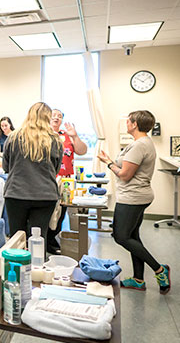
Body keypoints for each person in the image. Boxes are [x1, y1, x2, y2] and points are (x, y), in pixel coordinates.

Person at [97, 110, 170, 294]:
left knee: (121, 236)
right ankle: (138, 280)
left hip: (132, 198)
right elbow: (126, 167)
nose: (126, 123)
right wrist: (110, 160)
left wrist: (108, 164)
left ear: (135, 124)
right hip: (137, 196)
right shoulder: (142, 143)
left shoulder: (139, 145)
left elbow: (125, 174)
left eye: (128, 120)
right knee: (133, 237)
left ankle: (159, 269)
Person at [2, 102, 63, 242]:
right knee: (39, 240)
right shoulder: (55, 140)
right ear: (48, 118)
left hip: (17, 194)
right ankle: (38, 263)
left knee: (16, 240)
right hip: (45, 196)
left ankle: (17, 264)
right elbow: (56, 169)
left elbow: (6, 167)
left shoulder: (13, 137)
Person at [47, 109, 88, 254]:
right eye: (54, 115)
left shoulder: (67, 135)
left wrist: (75, 136)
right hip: (49, 178)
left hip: (66, 179)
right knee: (49, 210)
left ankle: (52, 238)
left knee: (62, 210)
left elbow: (82, 151)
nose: (56, 118)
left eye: (59, 116)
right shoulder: (43, 134)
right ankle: (46, 239)